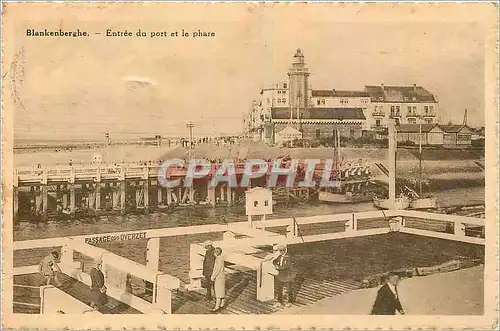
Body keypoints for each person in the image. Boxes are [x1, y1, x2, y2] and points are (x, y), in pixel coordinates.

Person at [210, 247, 226, 312]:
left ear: (216, 253)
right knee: (221, 291)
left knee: (218, 292)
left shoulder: (218, 259)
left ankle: (217, 307)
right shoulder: (221, 258)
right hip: (222, 277)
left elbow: (216, 270)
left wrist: (212, 277)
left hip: (218, 278)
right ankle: (222, 304)